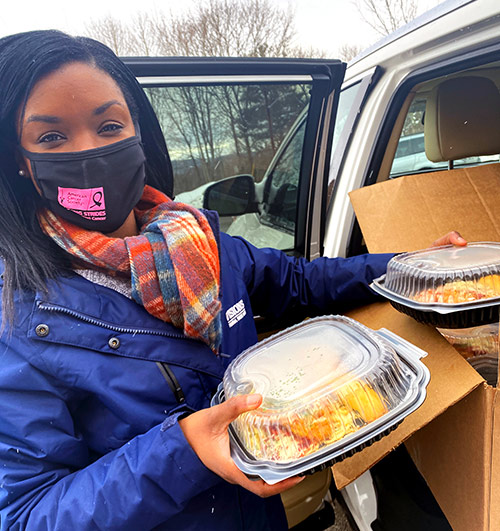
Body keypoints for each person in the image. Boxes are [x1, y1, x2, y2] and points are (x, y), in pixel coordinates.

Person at [0, 30, 465, 531]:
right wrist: (182, 453)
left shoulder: (199, 243)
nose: (89, 153)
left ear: (138, 133)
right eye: (51, 136)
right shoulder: (17, 317)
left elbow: (302, 281)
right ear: (22, 162)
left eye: (109, 125)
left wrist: (410, 266)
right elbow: (26, 515)